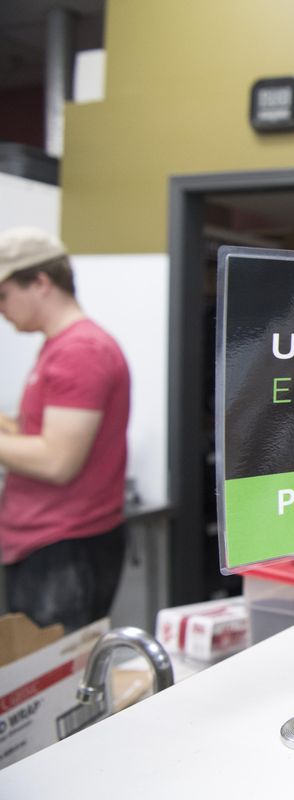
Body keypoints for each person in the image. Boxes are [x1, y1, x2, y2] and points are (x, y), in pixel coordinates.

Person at [0, 227, 131, 632]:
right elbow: (39, 430)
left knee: (54, 686)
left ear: (40, 282)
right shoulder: (59, 346)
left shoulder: (79, 351)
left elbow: (57, 461)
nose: (1, 308)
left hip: (63, 545)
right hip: (48, 540)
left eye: (3, 295)